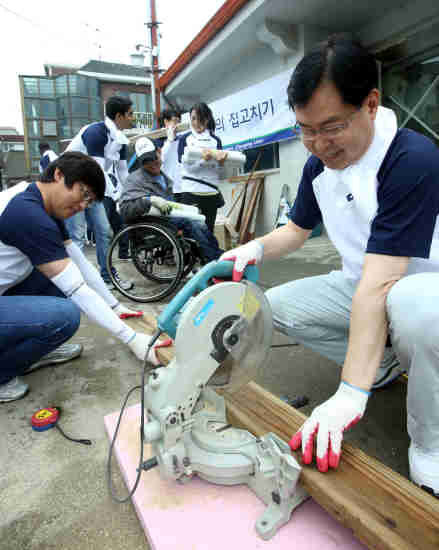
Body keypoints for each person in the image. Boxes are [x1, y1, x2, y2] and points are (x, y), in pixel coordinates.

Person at [222, 35, 439, 498]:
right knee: (272, 305)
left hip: (423, 286)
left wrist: (348, 394)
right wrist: (255, 249)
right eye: (305, 129)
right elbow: (297, 230)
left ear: (371, 104)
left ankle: (431, 448)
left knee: (417, 312)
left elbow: (382, 285)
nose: (318, 143)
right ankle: (379, 365)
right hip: (363, 283)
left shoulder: (411, 159)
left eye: (331, 126)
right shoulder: (318, 165)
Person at [0, 152, 156, 403]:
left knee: (62, 282)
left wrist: (115, 306)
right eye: (84, 194)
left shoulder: (43, 204)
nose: (83, 206)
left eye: (90, 201)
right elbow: (78, 289)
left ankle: (36, 350)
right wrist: (132, 339)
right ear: (59, 175)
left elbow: (81, 265)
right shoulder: (26, 212)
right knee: (65, 316)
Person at [64, 96, 134, 289]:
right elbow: (98, 171)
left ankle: (107, 277)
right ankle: (76, 284)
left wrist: (129, 193)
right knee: (76, 236)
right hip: (71, 185)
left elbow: (121, 171)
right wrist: (115, 194)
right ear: (119, 116)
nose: (132, 118)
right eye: (130, 114)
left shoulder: (120, 140)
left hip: (91, 188)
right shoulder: (96, 132)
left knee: (104, 231)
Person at [120, 137, 223, 264]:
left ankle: (217, 255)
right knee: (191, 223)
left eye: (153, 158)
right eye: (146, 161)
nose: (152, 163)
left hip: (168, 218)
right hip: (153, 225)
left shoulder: (165, 178)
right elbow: (125, 209)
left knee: (200, 221)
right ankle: (212, 260)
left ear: (159, 152)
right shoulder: (134, 179)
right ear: (141, 162)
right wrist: (149, 200)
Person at [178, 102, 227, 233]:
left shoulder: (215, 140)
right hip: (191, 192)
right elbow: (185, 169)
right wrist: (203, 161)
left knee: (208, 231)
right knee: (191, 231)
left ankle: (208, 254)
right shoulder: (185, 139)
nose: (197, 122)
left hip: (211, 192)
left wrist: (222, 164)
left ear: (207, 119)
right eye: (193, 118)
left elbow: (220, 173)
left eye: (201, 118)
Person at [156, 109, 184, 202]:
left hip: (184, 188)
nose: (177, 124)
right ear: (166, 122)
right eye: (175, 120)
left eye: (179, 121)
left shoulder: (183, 139)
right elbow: (160, 160)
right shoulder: (158, 141)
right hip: (169, 189)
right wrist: (169, 140)